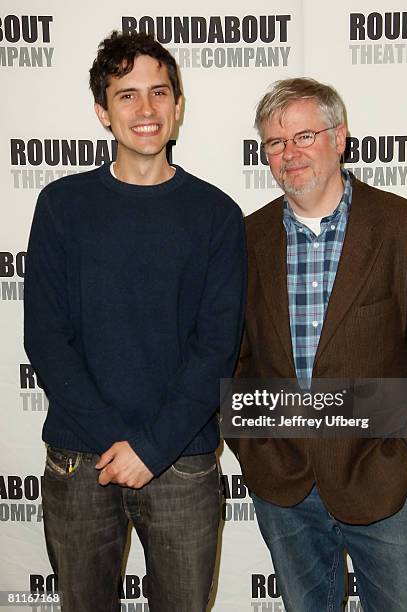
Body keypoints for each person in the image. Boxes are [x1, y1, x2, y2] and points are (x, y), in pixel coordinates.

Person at [227, 78, 407, 611]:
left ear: (339, 138)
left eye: (304, 136)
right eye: (275, 142)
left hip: (383, 482)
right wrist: (255, 453)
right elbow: (235, 358)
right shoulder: (244, 240)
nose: (289, 154)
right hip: (283, 485)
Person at [24, 31, 245, 612]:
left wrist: (151, 448)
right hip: (81, 460)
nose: (145, 110)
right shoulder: (61, 206)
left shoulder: (217, 214)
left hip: (183, 461)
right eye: (127, 96)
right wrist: (114, 443)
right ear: (102, 111)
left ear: (177, 105)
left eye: (159, 92)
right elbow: (46, 339)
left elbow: (216, 348)